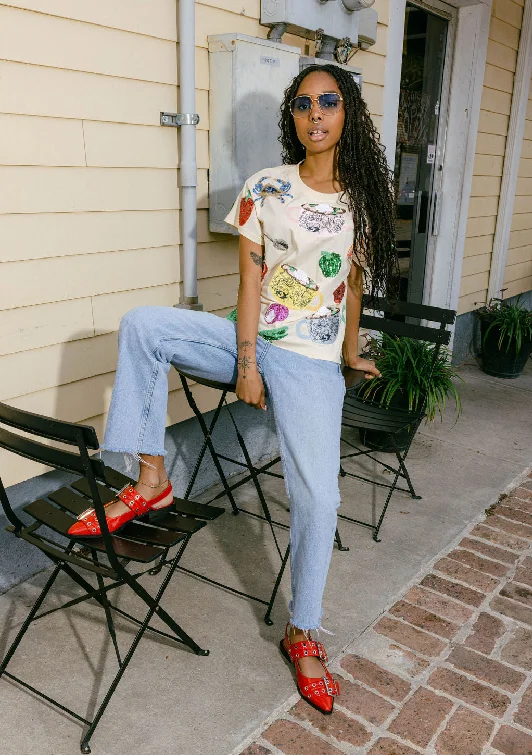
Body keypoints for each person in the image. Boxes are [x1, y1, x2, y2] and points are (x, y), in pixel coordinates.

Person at [68, 64, 399, 715]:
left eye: (328, 102)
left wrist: (352, 352)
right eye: (303, 104)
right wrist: (246, 363)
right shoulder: (264, 187)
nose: (315, 115)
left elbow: (352, 286)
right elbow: (250, 283)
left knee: (320, 500)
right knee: (143, 326)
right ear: (293, 116)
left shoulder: (362, 198)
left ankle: (301, 631)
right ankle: (150, 478)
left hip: (310, 361)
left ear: (347, 114)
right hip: (251, 337)